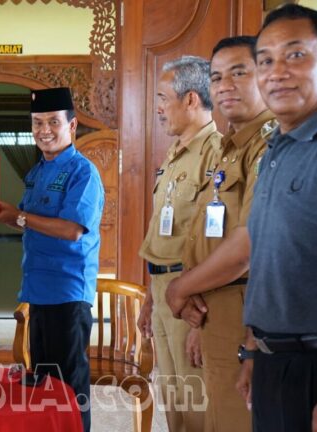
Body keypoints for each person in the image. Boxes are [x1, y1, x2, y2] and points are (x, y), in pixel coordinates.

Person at [239, 5, 317, 431]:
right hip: (277, 361)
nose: (276, 72)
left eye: (295, 55)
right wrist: (254, 349)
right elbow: (270, 256)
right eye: (265, 60)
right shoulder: (279, 146)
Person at [163, 36, 275, 432]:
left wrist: (179, 289)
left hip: (245, 310)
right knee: (214, 418)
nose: (225, 85)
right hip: (213, 304)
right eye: (216, 77)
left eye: (239, 73)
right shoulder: (231, 147)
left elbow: (248, 245)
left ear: (266, 75)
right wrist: (198, 315)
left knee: (234, 420)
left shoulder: (268, 144)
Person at [0, 87, 104, 431]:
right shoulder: (38, 171)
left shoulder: (83, 172)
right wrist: (1, 213)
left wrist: (18, 216)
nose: (44, 130)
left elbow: (71, 230)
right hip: (38, 291)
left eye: (53, 122)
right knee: (43, 384)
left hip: (68, 293)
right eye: (37, 123)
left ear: (72, 125)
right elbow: (30, 222)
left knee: (69, 387)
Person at [136, 55, 220, 432]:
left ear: (190, 99)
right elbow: (164, 232)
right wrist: (150, 297)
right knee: (174, 405)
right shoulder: (175, 153)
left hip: (192, 296)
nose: (158, 108)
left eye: (162, 98)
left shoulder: (216, 153)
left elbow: (217, 243)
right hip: (163, 289)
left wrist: (203, 324)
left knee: (197, 407)